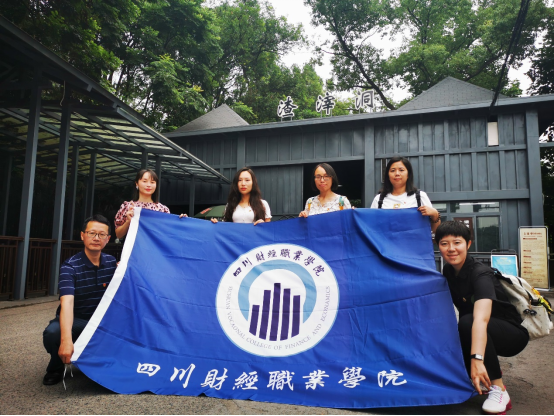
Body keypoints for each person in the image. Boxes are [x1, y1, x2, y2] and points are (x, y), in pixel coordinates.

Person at [436, 221, 529, 415]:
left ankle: (499, 390)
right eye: (444, 243)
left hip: (511, 335)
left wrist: (477, 360)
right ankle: (475, 378)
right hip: (478, 330)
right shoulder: (448, 271)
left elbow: (480, 319)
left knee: (468, 321)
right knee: (455, 326)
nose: (451, 248)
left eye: (457, 242)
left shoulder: (481, 273)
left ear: (468, 244)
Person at [42, 215, 117, 386]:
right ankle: (56, 367)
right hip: (78, 320)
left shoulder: (112, 263)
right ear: (82, 235)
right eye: (92, 233)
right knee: (53, 333)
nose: (96, 238)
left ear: (108, 239)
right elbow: (67, 303)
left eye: (101, 234)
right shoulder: (70, 267)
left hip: (102, 321)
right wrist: (66, 340)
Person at [371, 156, 441, 233]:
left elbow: (435, 231)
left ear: (408, 174)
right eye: (393, 170)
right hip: (385, 241)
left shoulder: (420, 196)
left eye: (401, 170)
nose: (397, 173)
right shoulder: (379, 199)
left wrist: (435, 215)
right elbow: (371, 227)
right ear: (388, 175)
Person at [115, 169, 170, 239]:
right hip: (134, 245)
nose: (149, 185)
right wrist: (128, 221)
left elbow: (168, 233)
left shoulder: (163, 209)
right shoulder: (128, 206)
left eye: (152, 182)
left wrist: (181, 220)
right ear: (136, 183)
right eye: (144, 181)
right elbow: (118, 235)